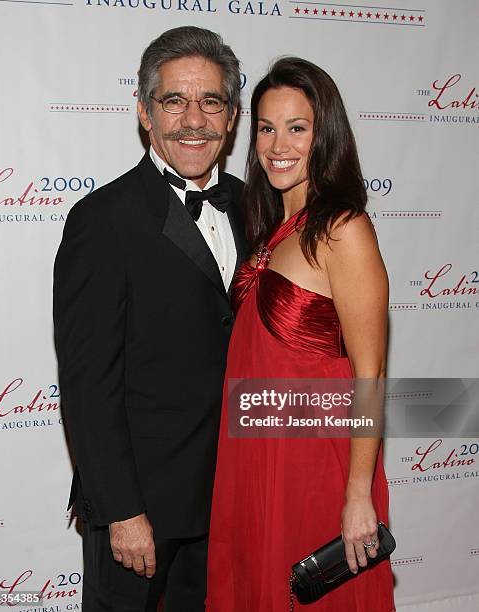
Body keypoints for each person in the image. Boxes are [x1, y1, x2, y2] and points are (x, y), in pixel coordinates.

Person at [53, 26, 246, 612]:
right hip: (140, 508)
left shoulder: (252, 205)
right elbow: (88, 385)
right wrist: (121, 510)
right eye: (174, 101)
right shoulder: (102, 219)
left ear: (232, 116)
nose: (194, 119)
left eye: (211, 101)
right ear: (145, 112)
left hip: (228, 494)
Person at [206, 57, 395, 611]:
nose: (277, 144)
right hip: (256, 455)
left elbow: (371, 373)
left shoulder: (344, 228)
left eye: (297, 127)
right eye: (266, 127)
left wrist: (357, 495)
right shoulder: (270, 231)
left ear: (324, 135)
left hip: (315, 465)